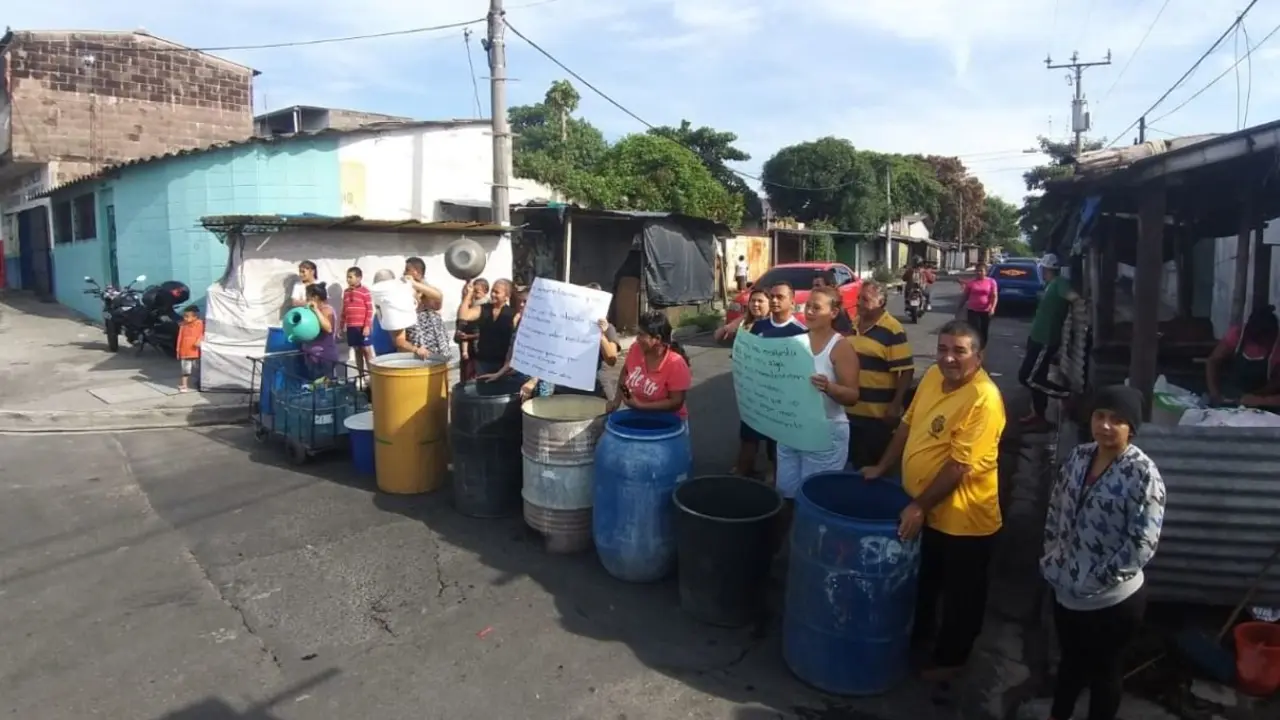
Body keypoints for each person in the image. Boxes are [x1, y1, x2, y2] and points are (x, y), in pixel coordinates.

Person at [862, 320, 1005, 682]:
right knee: (925, 581)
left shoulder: (983, 398)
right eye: (943, 349)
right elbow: (907, 425)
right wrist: (882, 466)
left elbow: (959, 466)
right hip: (926, 508)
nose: (949, 358)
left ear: (978, 356)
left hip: (964, 518)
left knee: (962, 597)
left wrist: (919, 506)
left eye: (959, 351)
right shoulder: (931, 377)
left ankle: (952, 661)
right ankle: (918, 639)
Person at [1042, 385, 1165, 720]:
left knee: (1105, 673)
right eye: (1100, 416)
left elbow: (1142, 543)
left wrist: (1096, 581)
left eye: (1117, 420)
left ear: (1131, 428)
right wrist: (1052, 559)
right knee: (1070, 664)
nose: (1105, 426)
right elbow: (1056, 508)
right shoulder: (1079, 457)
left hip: (1112, 601)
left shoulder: (1143, 474)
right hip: (1066, 590)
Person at [774, 286, 860, 501]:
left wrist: (829, 387)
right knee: (785, 493)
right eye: (808, 306)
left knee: (815, 498)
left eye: (817, 308)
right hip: (791, 428)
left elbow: (852, 396)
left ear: (833, 312)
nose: (810, 312)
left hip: (826, 433)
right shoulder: (796, 341)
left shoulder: (840, 347)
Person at [846, 280, 914, 469]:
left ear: (881, 302)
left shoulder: (893, 330)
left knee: (871, 468)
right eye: (859, 298)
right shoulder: (854, 324)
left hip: (876, 417)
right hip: (849, 414)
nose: (859, 303)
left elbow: (906, 370)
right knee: (851, 465)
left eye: (865, 299)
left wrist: (896, 405)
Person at [517, 282, 621, 399]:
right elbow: (549, 358)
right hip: (563, 390)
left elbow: (611, 360)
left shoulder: (608, 329)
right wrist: (533, 381)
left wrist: (600, 335)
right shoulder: (565, 327)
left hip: (593, 391)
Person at [1018, 253, 1080, 430]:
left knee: (1027, 378)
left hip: (1045, 339)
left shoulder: (1060, 283)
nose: (1043, 272)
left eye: (1044, 269)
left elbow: (1074, 298)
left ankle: (1065, 394)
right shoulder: (1049, 285)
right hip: (1036, 337)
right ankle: (1039, 415)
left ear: (1047, 269)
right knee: (1038, 376)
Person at [715, 287, 771, 476]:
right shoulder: (745, 324)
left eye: (760, 301)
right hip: (749, 388)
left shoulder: (776, 326)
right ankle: (744, 468)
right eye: (753, 301)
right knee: (749, 431)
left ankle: (773, 473)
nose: (756, 304)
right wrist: (731, 326)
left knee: (774, 436)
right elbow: (718, 337)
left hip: (771, 389)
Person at [606, 311, 692, 420]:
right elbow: (625, 373)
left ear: (657, 339)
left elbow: (676, 402)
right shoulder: (636, 349)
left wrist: (641, 406)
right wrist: (619, 400)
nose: (637, 338)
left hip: (669, 424)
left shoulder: (676, 364)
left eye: (641, 334)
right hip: (639, 417)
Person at [1205, 304, 1280, 407]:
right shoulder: (1237, 334)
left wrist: (1259, 399)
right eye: (1255, 340)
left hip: (1264, 399)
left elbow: (1276, 385)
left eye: (1262, 341)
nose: (1258, 345)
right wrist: (1214, 392)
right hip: (1232, 393)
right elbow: (1213, 361)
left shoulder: (1277, 346)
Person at [390, 257, 449, 360]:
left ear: (416, 272)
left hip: (441, 355)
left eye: (407, 270)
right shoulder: (401, 304)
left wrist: (414, 283)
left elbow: (439, 296)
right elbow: (399, 341)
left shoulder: (428, 299)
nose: (403, 273)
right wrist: (416, 350)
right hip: (418, 359)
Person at [458, 278, 517, 376]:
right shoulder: (483, 308)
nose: (493, 294)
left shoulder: (512, 314)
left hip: (503, 363)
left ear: (507, 296)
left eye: (497, 292)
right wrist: (468, 294)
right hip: (483, 362)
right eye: (492, 291)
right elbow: (463, 316)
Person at [301, 284, 341, 378]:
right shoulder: (313, 311)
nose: (306, 299)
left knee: (323, 383)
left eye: (308, 297)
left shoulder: (326, 310)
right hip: (313, 356)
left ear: (315, 297)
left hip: (323, 356)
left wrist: (316, 310)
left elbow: (328, 328)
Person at [341, 266, 374, 377]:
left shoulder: (365, 291)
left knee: (366, 350)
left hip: (362, 326)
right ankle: (361, 375)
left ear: (359, 278)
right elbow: (344, 310)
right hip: (351, 326)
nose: (348, 280)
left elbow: (369, 309)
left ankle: (372, 374)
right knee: (357, 350)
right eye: (347, 277)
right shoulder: (346, 292)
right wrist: (341, 325)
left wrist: (367, 326)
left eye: (351, 277)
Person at [455, 278, 489, 381]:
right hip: (468, 351)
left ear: (485, 291)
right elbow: (460, 329)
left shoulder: (485, 307)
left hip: (479, 350)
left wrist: (468, 336)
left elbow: (487, 332)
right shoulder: (467, 307)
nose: (472, 294)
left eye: (476, 292)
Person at [958, 260, 997, 347]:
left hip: (985, 311)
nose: (979, 273)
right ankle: (974, 346)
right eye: (977, 271)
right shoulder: (971, 283)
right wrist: (960, 306)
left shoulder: (991, 282)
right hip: (973, 310)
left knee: (984, 330)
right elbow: (965, 296)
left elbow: (994, 296)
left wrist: (992, 308)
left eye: (981, 271)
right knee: (974, 329)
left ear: (986, 272)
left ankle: (982, 347)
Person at [811, 270, 854, 334]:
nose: (814, 289)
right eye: (813, 286)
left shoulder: (837, 311)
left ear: (830, 287)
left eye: (818, 285)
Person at [176, 305, 204, 393]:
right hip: (185, 352)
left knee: (198, 369)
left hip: (196, 352)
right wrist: (178, 350)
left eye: (187, 316)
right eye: (184, 316)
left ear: (195, 317)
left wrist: (199, 341)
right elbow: (180, 338)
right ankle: (184, 386)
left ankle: (201, 384)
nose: (185, 318)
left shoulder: (199, 323)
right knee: (185, 371)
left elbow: (202, 334)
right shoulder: (183, 325)